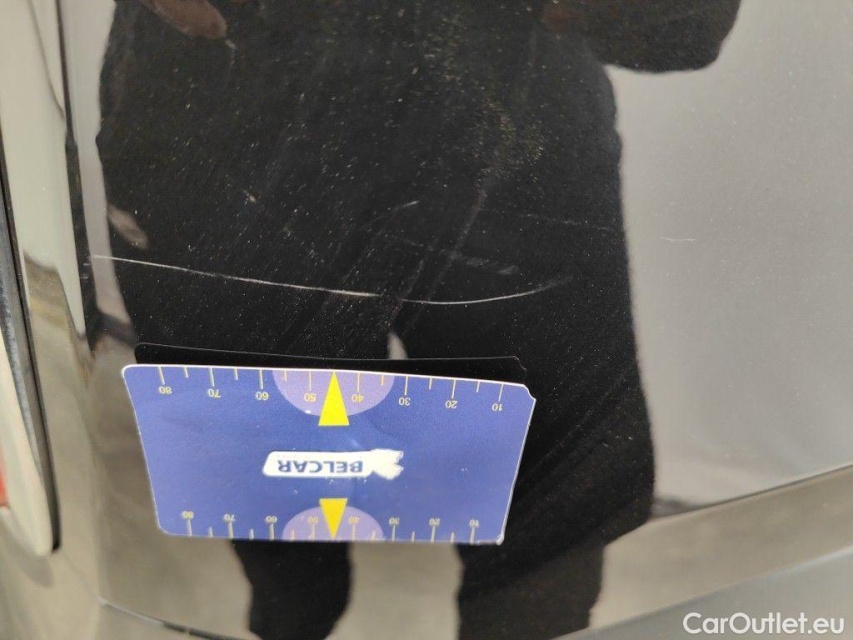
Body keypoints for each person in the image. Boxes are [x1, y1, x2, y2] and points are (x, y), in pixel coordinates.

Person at [97, 1, 739, 637]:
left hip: (512, 116)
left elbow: (684, 29)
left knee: (542, 539)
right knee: (275, 520)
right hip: (230, 107)